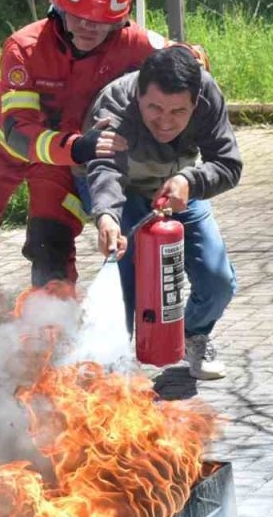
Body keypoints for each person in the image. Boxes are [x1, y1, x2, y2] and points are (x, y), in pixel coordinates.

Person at [0, 0, 162, 290]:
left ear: (119, 20)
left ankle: (50, 333)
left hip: (59, 158)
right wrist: (77, 148)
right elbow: (18, 133)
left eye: (101, 22)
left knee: (52, 246)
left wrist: (193, 65)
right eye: (79, 17)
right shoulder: (24, 48)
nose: (89, 28)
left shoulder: (130, 41)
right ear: (58, 7)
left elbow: (185, 60)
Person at [84, 47, 242, 380]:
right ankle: (113, 364)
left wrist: (190, 180)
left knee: (218, 281)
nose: (165, 121)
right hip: (123, 196)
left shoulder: (208, 94)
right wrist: (107, 217)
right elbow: (103, 167)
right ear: (138, 94)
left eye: (177, 111)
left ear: (195, 104)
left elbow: (229, 165)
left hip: (180, 191)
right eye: (154, 108)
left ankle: (195, 334)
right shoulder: (115, 102)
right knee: (124, 281)